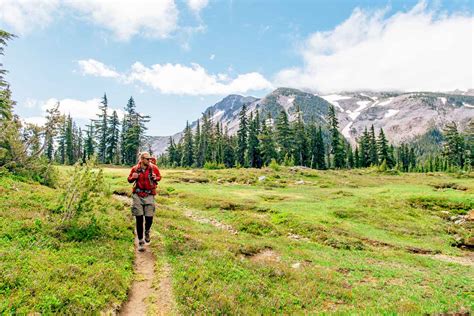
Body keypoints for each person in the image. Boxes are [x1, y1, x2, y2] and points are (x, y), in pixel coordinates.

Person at [127, 152, 161, 252]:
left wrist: (156, 178)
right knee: (139, 218)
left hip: (150, 195)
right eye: (147, 159)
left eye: (150, 159)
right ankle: (141, 241)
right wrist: (133, 177)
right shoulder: (134, 168)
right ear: (141, 159)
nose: (149, 160)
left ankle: (147, 231)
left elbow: (159, 177)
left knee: (149, 217)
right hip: (137, 195)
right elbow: (129, 180)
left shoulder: (154, 168)